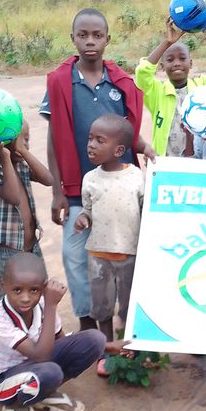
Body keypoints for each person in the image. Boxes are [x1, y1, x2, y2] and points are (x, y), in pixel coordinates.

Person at [42, 8, 152, 331]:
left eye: (97, 35)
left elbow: (128, 133)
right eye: (83, 35)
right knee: (75, 257)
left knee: (124, 255)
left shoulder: (120, 83)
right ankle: (89, 327)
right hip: (78, 190)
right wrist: (58, 192)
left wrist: (145, 147)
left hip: (119, 189)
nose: (90, 41)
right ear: (73, 38)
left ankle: (126, 323)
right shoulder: (60, 82)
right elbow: (53, 139)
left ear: (107, 39)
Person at [0, 253, 113, 411]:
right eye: (17, 290)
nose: (25, 298)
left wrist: (105, 346)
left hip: (36, 367)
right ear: (3, 286)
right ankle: (15, 407)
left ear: (43, 287)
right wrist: (51, 305)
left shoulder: (42, 304)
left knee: (94, 339)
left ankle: (43, 392)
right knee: (50, 371)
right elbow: (40, 355)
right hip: (3, 381)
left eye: (34, 290)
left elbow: (61, 340)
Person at [75, 115, 145, 352]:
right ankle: (106, 351)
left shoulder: (136, 176)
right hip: (98, 256)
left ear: (119, 150)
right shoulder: (90, 179)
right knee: (102, 308)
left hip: (129, 255)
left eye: (100, 140)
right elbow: (87, 209)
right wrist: (83, 218)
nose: (91, 145)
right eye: (90, 139)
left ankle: (128, 349)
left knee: (128, 307)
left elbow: (145, 208)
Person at [136, 15, 206, 157]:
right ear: (162, 66)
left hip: (196, 164)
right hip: (164, 164)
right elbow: (142, 73)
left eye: (182, 58)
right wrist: (167, 42)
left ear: (190, 63)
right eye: (170, 60)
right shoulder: (157, 92)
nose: (177, 63)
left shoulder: (203, 87)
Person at [0, 120, 53, 300]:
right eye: (18, 140)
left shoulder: (22, 164)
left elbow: (49, 179)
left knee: (38, 290)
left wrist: (23, 151)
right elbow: (14, 196)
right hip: (7, 252)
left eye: (27, 139)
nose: (23, 145)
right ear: (0, 143)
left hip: (32, 247)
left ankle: (39, 319)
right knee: (8, 297)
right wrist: (4, 158)